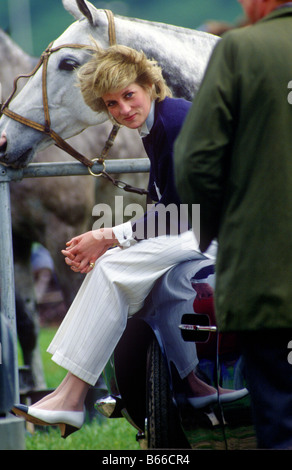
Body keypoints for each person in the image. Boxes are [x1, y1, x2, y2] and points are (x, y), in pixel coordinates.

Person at [11, 43, 246, 438]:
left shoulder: (175, 122)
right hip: (201, 228)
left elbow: (184, 210)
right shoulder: (158, 126)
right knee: (122, 270)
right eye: (111, 104)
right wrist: (116, 238)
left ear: (150, 85)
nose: (122, 109)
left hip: (222, 233)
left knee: (113, 267)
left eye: (128, 96)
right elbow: (168, 205)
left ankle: (71, 397)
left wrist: (109, 235)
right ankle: (187, 384)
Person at [174, 0, 292, 449]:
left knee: (281, 421)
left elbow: (196, 161)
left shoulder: (241, 48)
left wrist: (222, 238)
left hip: (271, 282)